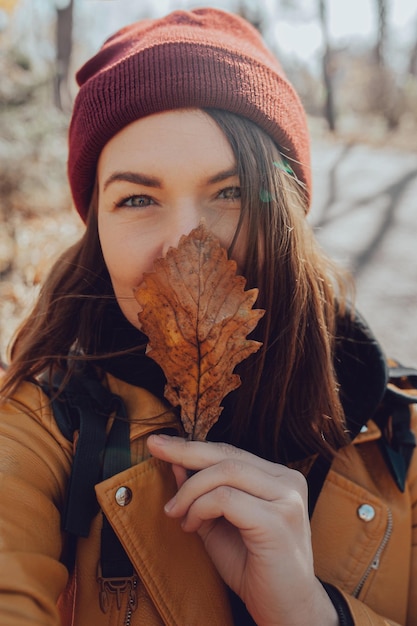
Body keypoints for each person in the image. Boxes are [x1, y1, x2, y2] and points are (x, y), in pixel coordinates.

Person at [0, 7, 416, 626]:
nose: (188, 242)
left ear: (289, 215)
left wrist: (311, 612)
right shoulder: (36, 435)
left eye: (231, 192)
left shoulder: (400, 439)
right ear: (98, 233)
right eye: (137, 198)